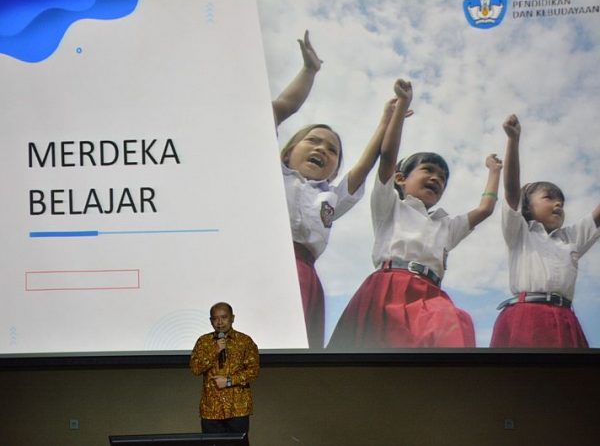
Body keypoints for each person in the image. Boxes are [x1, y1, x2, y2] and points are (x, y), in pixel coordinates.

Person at [328, 79, 503, 349]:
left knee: (455, 324)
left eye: (443, 178)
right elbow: (387, 157)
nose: (436, 179)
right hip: (388, 288)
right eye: (429, 171)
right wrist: (401, 109)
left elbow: (485, 209)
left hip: (430, 295)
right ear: (400, 178)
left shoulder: (446, 225)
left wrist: (494, 172)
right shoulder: (390, 206)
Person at [271, 31, 409, 348]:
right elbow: (278, 110)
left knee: (292, 360)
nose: (323, 149)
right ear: (287, 152)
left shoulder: (331, 197)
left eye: (333, 150)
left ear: (334, 168)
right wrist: (309, 71)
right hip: (263, 267)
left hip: (304, 277)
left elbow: (365, 166)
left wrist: (386, 120)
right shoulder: (272, 175)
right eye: (313, 141)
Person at [490, 114, 600, 348]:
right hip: (526, 316)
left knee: (569, 382)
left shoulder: (570, 238)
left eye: (561, 201)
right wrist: (513, 140)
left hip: (565, 318)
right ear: (527, 207)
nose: (558, 204)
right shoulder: (520, 233)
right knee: (524, 380)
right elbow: (511, 192)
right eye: (549, 197)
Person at [190, 302, 259, 445]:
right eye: (215, 319)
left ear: (232, 318)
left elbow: (253, 371)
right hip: (211, 407)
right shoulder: (203, 342)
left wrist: (228, 381)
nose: (220, 322)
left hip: (238, 407)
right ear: (211, 321)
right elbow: (195, 368)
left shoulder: (245, 341)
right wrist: (214, 351)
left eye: (224, 317)